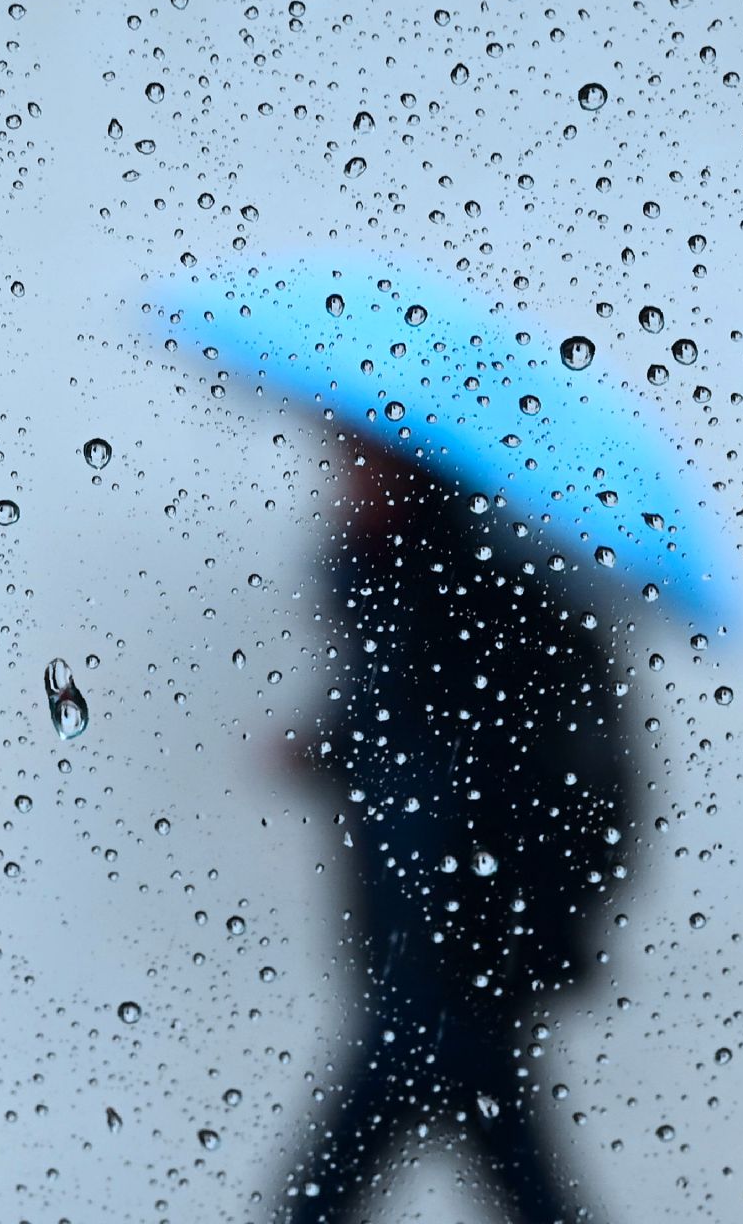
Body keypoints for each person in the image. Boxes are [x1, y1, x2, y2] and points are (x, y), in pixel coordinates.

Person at [278, 443, 635, 1224]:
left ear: (415, 482)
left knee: (361, 1141)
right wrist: (330, 747)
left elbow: (484, 756)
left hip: (456, 936)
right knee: (499, 1144)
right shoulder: (401, 591)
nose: (343, 488)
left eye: (363, 470)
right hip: (429, 935)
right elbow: (405, 729)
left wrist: (510, 919)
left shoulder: (471, 599)